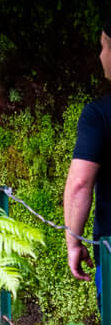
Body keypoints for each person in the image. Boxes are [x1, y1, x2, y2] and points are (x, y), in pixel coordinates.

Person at [64, 23, 111, 290]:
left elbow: (80, 183)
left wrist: (74, 242)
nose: (100, 55)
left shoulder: (99, 115)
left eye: (103, 46)